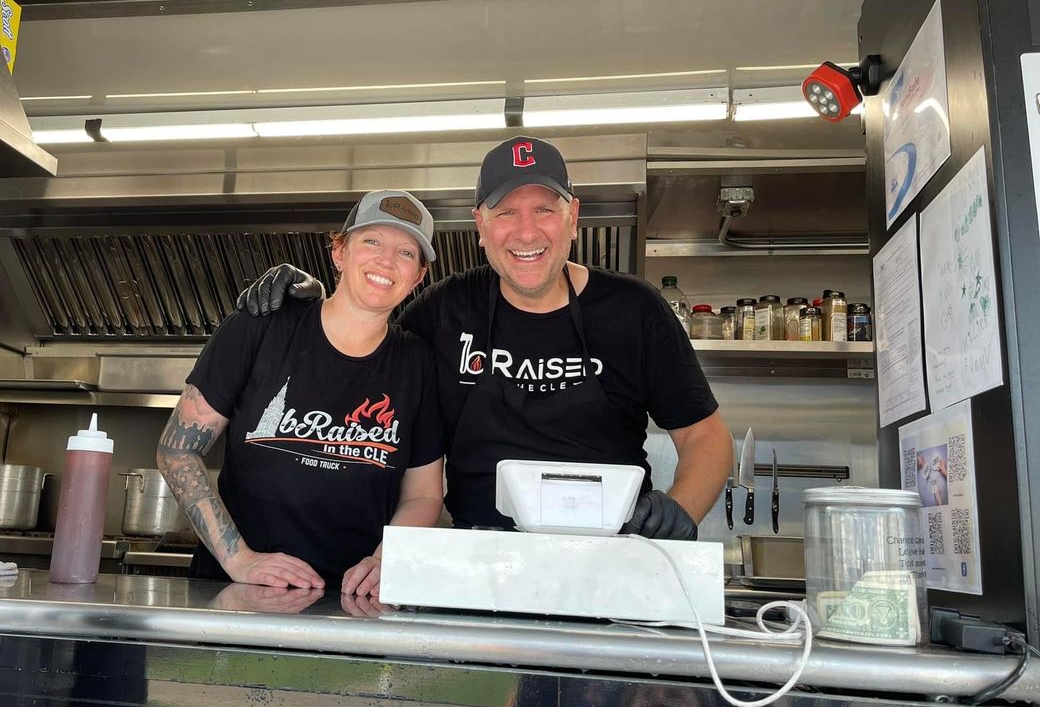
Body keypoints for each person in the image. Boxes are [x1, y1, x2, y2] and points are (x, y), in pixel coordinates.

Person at [241, 137, 733, 538]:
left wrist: (681, 508)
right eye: (504, 213)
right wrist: (314, 300)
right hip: (479, 559)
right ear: (479, 224)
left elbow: (705, 435)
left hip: (612, 558)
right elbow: (360, 350)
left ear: (573, 218)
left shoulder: (634, 309)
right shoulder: (442, 309)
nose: (525, 232)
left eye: (543, 209)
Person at [156, 190, 445, 596]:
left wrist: (386, 560)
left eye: (406, 252)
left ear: (418, 277)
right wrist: (239, 558)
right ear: (339, 252)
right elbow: (177, 449)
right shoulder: (262, 325)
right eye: (371, 241)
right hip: (235, 595)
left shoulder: (418, 363)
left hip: (350, 605)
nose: (386, 260)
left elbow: (424, 493)